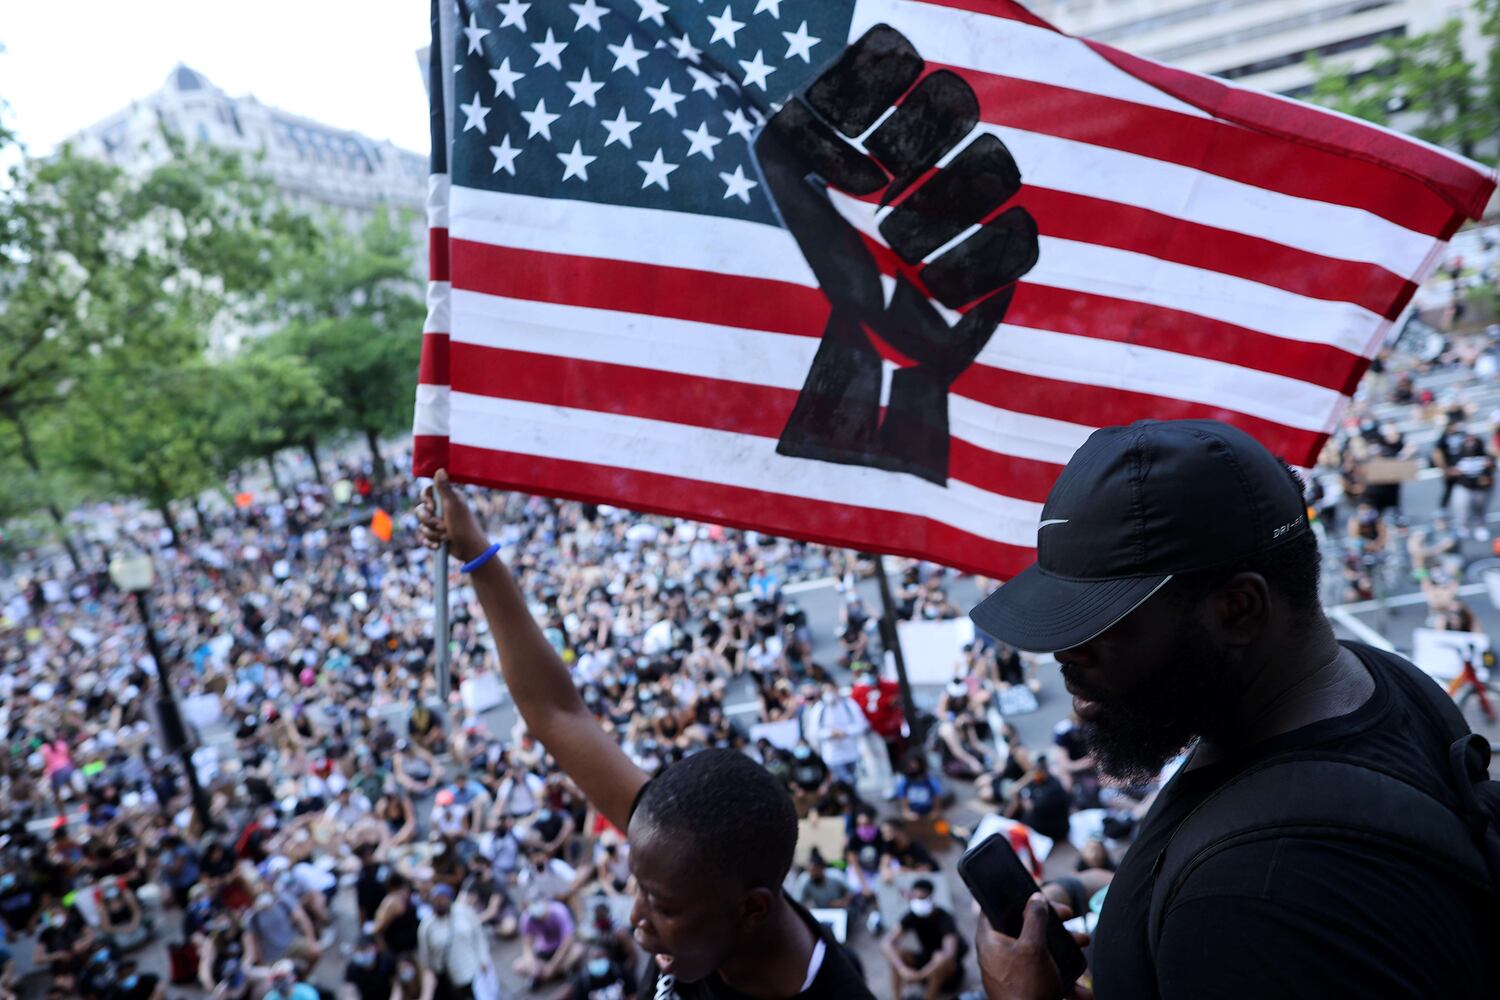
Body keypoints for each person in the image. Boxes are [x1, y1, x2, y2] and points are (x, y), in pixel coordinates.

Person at [966, 419, 1496, 999]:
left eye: (1101, 626)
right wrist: (1098, 891)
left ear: (1238, 609)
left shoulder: (1252, 903)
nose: (1066, 660)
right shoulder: (1375, 677)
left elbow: (1259, 914)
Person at [416, 470, 875, 998]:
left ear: (753, 908)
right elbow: (555, 713)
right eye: (640, 888)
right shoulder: (689, 857)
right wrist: (478, 554)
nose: (636, 917)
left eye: (663, 905)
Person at [882, 879, 965, 1000]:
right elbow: (887, 942)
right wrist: (902, 969)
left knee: (940, 958)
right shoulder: (912, 915)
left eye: (921, 898)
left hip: (948, 972)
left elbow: (949, 953)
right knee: (897, 955)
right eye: (914, 897)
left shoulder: (944, 918)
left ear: (931, 897)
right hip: (925, 961)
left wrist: (920, 975)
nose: (918, 901)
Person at [415, 884, 489, 1000]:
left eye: (443, 899)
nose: (440, 902)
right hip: (448, 978)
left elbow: (478, 935)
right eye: (437, 900)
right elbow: (426, 959)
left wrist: (483, 958)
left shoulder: (463, 911)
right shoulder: (426, 926)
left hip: (473, 970)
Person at [515, 896, 579, 989]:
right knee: (518, 966)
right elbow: (527, 946)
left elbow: (567, 942)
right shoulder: (527, 917)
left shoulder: (559, 911)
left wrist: (553, 965)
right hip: (543, 951)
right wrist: (532, 964)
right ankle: (557, 973)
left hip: (562, 951)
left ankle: (547, 975)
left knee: (577, 951)